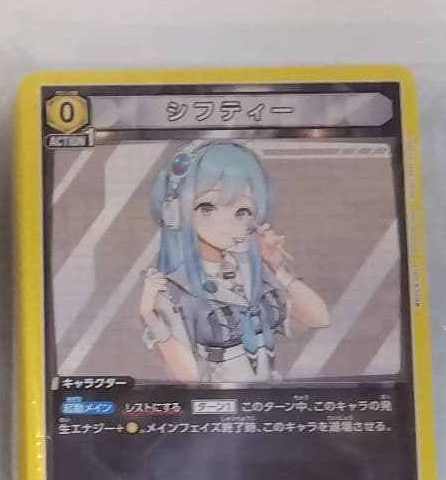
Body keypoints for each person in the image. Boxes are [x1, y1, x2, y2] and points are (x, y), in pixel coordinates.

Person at [140, 140, 330, 383]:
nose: (228, 223)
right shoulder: (173, 289)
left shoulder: (252, 272)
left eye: (242, 211)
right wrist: (150, 316)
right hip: (215, 399)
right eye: (207, 208)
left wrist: (277, 267)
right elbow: (190, 376)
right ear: (174, 213)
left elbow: (319, 318)